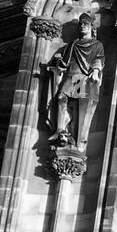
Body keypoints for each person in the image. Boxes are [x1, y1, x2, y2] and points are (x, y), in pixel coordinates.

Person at [47, 13, 105, 145]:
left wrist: (95, 71)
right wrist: (58, 60)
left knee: (77, 105)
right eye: (81, 24)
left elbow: (99, 59)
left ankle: (74, 135)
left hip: (81, 77)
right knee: (61, 98)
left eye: (85, 24)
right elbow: (65, 61)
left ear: (91, 27)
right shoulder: (73, 44)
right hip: (70, 75)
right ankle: (60, 129)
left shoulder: (97, 45)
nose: (82, 26)